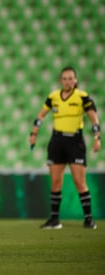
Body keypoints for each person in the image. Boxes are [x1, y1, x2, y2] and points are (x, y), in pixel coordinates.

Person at [29, 66, 101, 229]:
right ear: (61, 81)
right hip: (57, 141)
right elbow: (41, 115)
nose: (67, 81)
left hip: (75, 142)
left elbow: (93, 118)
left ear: (75, 80)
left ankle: (89, 219)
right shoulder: (53, 97)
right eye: (64, 78)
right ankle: (54, 220)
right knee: (55, 181)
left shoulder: (82, 97)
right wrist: (33, 133)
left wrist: (97, 138)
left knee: (79, 181)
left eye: (70, 78)